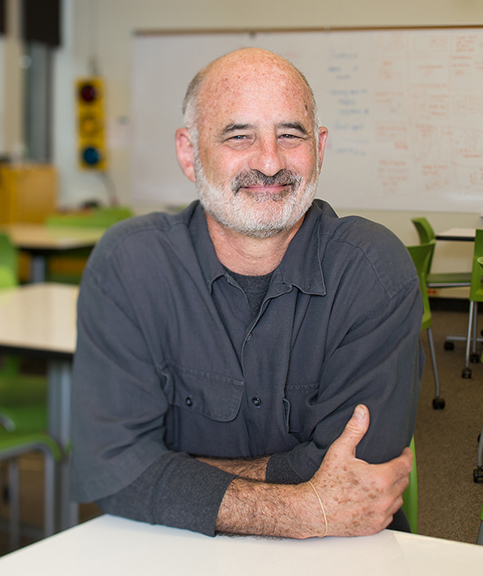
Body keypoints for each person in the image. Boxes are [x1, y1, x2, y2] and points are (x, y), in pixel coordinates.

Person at [71, 48, 423, 539]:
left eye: (290, 134)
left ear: (318, 146)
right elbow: (108, 468)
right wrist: (301, 510)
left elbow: (358, 475)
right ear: (189, 153)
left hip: (344, 553)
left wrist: (165, 472)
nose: (270, 161)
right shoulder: (132, 266)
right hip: (174, 554)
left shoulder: (371, 271)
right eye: (239, 136)